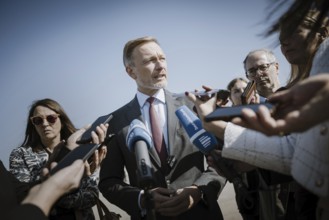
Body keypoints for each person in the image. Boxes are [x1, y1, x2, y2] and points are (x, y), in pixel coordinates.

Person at [186, 5, 329, 220]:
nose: (285, 42)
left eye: (263, 67)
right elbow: (295, 150)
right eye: (252, 71)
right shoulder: (289, 94)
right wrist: (232, 160)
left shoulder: (307, 89)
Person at [99, 36, 226, 220]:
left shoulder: (194, 104)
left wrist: (199, 191)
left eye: (162, 58)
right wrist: (142, 199)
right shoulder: (115, 122)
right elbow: (109, 182)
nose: (160, 66)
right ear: (131, 71)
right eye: (150, 60)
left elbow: (223, 160)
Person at [9, 98, 108, 220]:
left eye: (51, 118)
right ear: (33, 125)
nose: (45, 124)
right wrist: (66, 188)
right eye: (38, 120)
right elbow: (24, 197)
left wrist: (49, 194)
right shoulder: (20, 154)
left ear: (61, 119)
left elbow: (91, 196)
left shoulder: (82, 147)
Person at [232, 73, 329, 135]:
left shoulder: (272, 103)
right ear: (230, 97)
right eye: (236, 91)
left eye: (245, 89)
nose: (241, 92)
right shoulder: (230, 121)